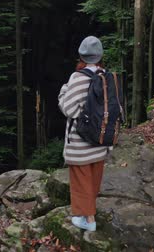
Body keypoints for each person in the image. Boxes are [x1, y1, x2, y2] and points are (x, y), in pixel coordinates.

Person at [58, 35, 110, 232]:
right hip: (101, 139)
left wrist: (64, 90)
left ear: (81, 56)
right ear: (100, 56)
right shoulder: (107, 77)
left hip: (81, 143)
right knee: (94, 179)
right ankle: (90, 211)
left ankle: (88, 220)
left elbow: (68, 109)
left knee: (80, 181)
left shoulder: (78, 78)